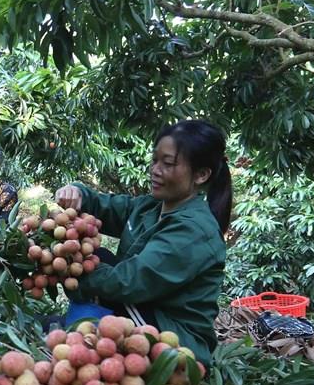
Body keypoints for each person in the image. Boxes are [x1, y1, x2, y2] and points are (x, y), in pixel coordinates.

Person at [53, 119, 233, 366]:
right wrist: (76, 193)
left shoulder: (194, 230)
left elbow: (130, 282)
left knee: (97, 266)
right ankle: (78, 330)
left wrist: (68, 267)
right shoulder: (150, 207)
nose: (155, 170)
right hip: (144, 311)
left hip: (176, 339)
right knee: (99, 257)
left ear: (201, 175)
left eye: (167, 163)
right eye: (154, 160)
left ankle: (81, 335)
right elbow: (106, 206)